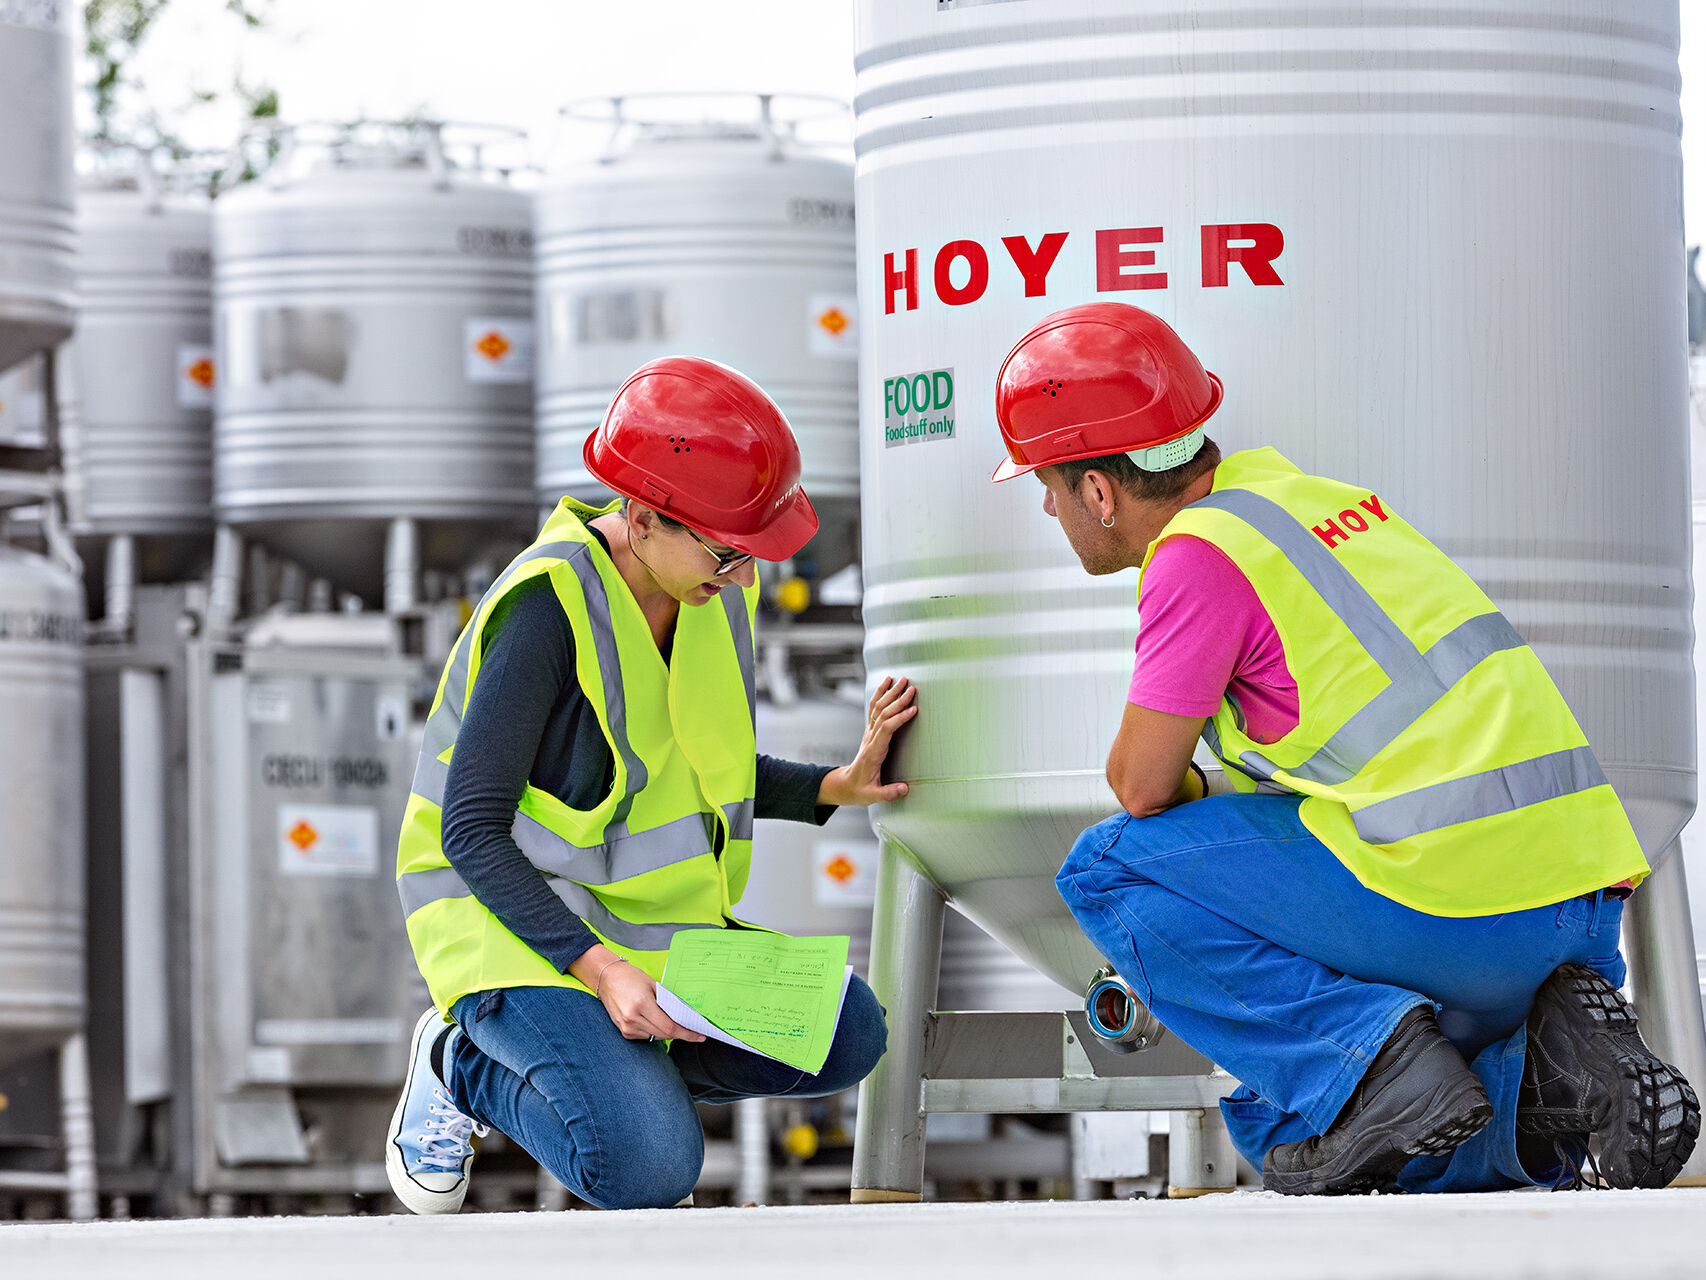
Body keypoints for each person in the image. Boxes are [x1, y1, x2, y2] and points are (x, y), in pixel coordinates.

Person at [991, 301, 1701, 1195]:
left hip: (1458, 903)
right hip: (1586, 910)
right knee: (1367, 1144)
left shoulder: (1199, 554)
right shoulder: (1325, 505)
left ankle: (1378, 1067)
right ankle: (1550, 1075)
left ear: (1099, 489)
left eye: (1048, 489)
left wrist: (1201, 790)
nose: (1051, 511)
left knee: (1107, 870)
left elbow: (1137, 785)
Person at [386, 356, 916, 1214]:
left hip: (647, 941)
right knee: (649, 1172)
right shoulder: (546, 608)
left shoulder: (705, 591)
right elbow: (471, 829)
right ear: (640, 517)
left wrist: (831, 788)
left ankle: (618, 1075)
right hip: (515, 934)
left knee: (846, 1032)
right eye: (728, 551)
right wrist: (597, 972)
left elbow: (689, 768)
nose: (744, 575)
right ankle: (462, 1061)